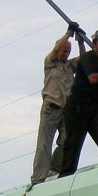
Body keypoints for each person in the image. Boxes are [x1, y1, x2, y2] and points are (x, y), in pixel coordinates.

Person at [58, 29, 98, 177]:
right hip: (78, 106)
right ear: (94, 44)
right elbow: (93, 78)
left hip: (96, 107)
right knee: (73, 143)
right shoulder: (87, 58)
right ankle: (66, 176)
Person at [31, 28, 82, 184]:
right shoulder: (50, 62)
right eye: (64, 50)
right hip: (51, 108)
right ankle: (39, 178)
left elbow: (84, 59)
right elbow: (56, 49)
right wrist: (68, 33)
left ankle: (55, 168)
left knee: (67, 142)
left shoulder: (69, 66)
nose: (65, 53)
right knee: (44, 145)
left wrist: (80, 41)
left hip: (66, 110)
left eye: (68, 51)